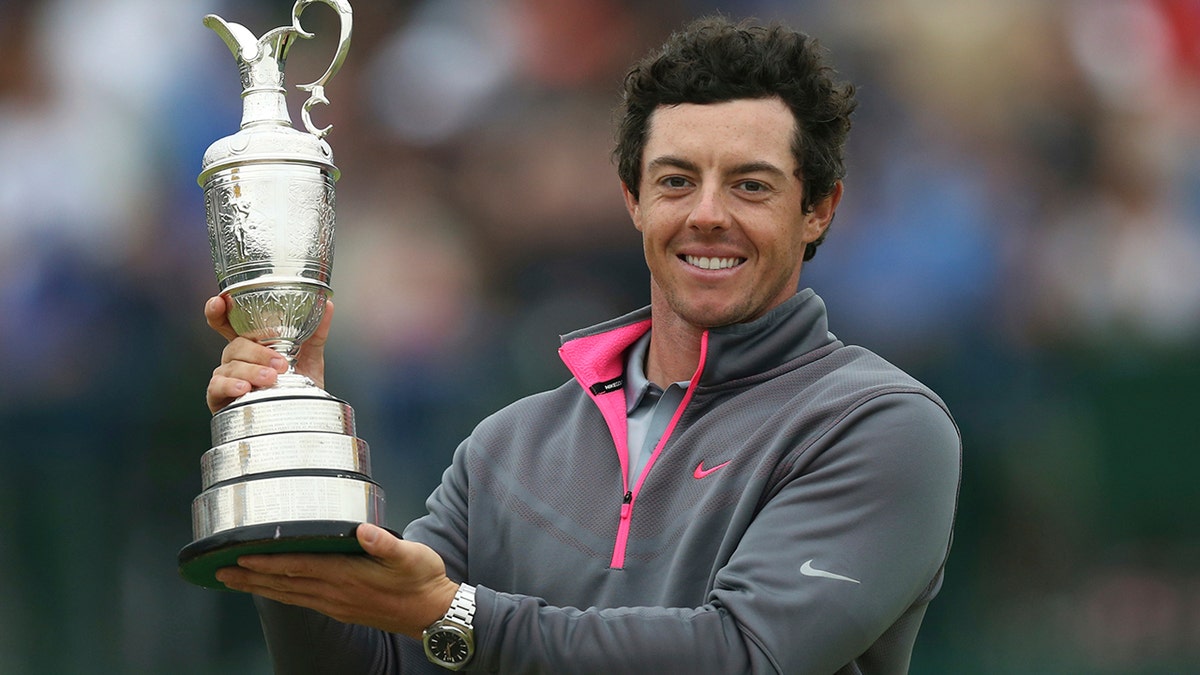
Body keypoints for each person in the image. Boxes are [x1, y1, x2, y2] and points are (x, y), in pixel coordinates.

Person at [205, 15, 960, 674]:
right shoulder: (506, 448)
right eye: (674, 181)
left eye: (751, 186)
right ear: (633, 197)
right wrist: (289, 474)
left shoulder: (880, 424)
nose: (706, 215)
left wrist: (457, 612)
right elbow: (372, 664)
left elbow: (743, 655)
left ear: (819, 209)